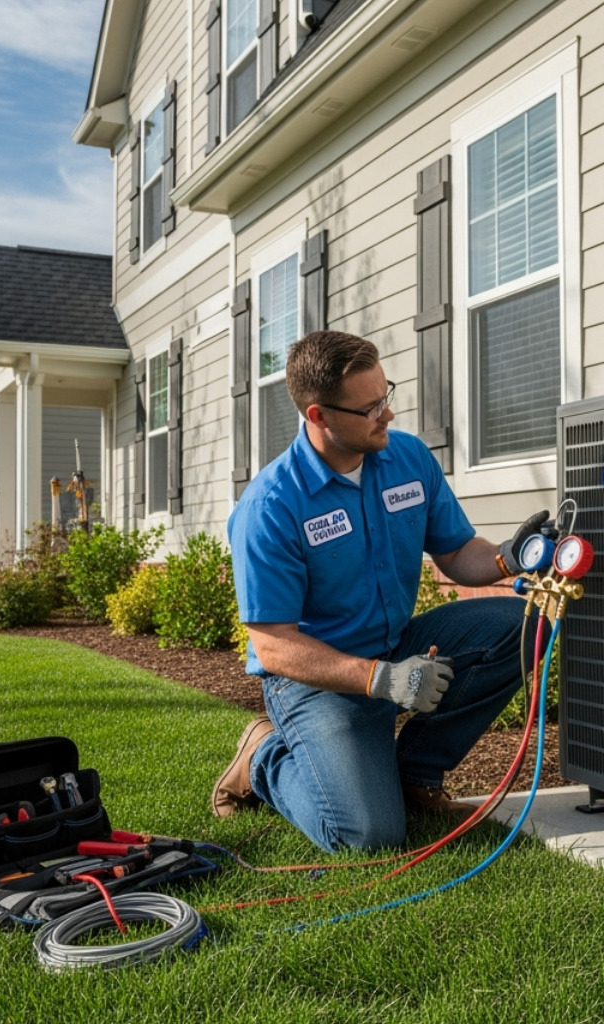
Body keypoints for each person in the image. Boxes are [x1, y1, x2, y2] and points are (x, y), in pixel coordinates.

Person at [214, 329, 551, 852]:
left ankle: (416, 776)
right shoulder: (271, 506)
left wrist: (510, 554)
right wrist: (380, 680)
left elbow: (458, 552)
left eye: (385, 396)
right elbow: (273, 645)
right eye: (369, 408)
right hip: (316, 680)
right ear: (319, 416)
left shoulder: (408, 459)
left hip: (396, 648)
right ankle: (264, 756)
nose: (387, 415)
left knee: (525, 624)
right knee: (365, 836)